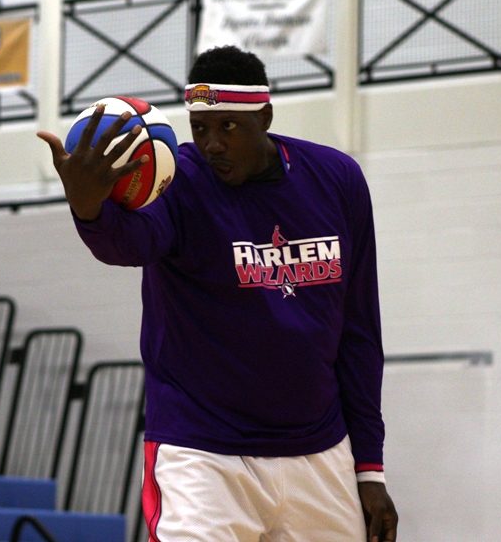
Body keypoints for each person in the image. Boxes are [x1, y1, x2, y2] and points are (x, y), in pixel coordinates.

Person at [38, 45, 398, 542]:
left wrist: (369, 470)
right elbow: (129, 242)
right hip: (202, 454)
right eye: (200, 128)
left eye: (228, 127)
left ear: (265, 116)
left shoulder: (337, 180)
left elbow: (360, 334)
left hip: (319, 450)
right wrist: (88, 208)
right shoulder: (178, 183)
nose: (211, 145)